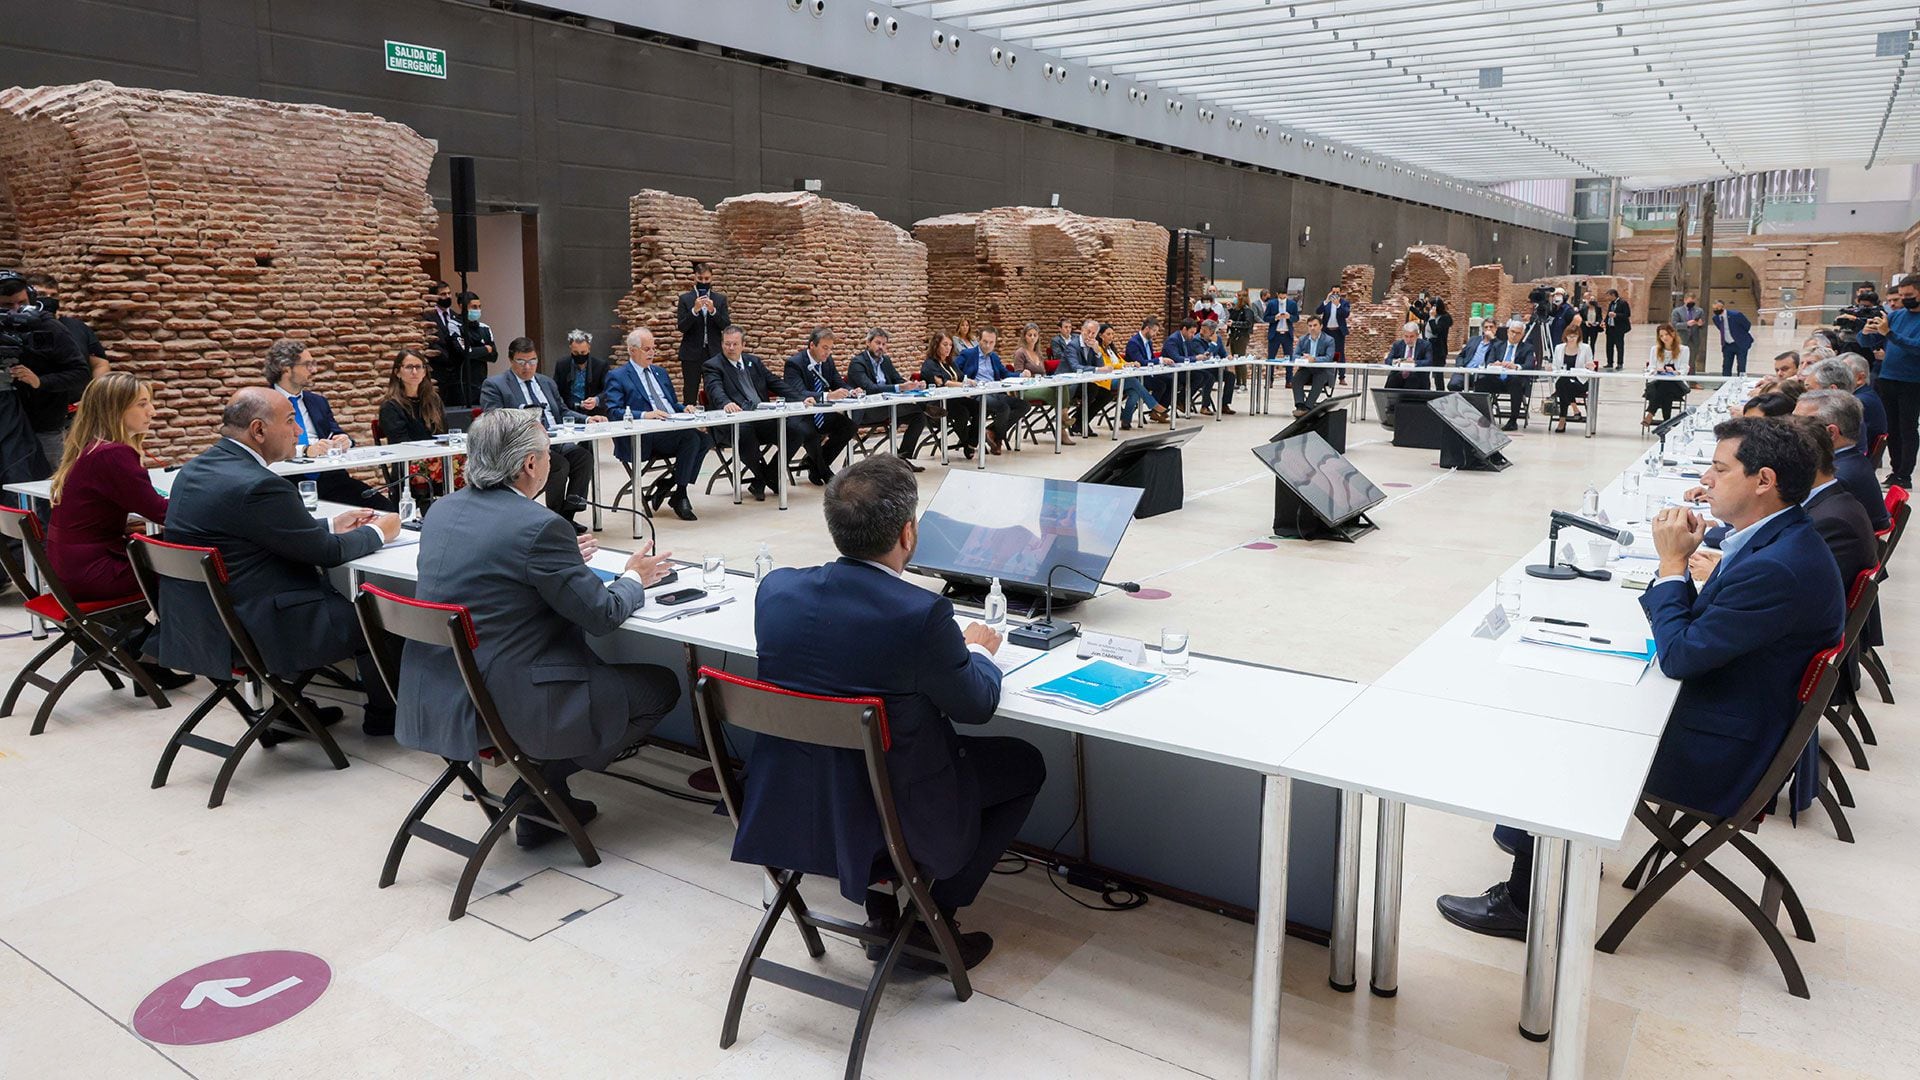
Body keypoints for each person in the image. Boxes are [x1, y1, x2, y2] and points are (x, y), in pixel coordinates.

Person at [1438, 417, 1844, 938]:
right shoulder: (1777, 540)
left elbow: (1680, 655)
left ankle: (1528, 902)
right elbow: (1706, 633)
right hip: (1733, 711)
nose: (1707, 478)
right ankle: (1540, 843)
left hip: (1722, 754)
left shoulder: (1779, 566)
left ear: (1763, 481)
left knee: (1563, 725)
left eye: (1720, 469)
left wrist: (1672, 565)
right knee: (1581, 686)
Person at [731, 454, 1045, 970]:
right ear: (908, 533)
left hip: (797, 803)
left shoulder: (777, 590)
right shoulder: (919, 614)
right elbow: (976, 705)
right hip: (896, 809)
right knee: (1024, 763)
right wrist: (982, 652)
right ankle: (930, 920)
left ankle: (882, 911)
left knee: (860, 756)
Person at [396, 408, 681, 849]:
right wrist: (633, 578)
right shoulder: (538, 526)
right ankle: (537, 787)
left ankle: (547, 801)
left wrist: (563, 559)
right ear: (530, 464)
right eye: (548, 454)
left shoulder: (442, 511)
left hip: (439, 687)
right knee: (661, 687)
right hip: (510, 697)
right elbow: (601, 614)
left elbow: (493, 572)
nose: (552, 462)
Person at [152, 388, 402, 736]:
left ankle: (292, 706)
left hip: (201, 623)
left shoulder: (196, 470)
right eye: (290, 422)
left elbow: (252, 531)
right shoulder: (259, 485)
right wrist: (380, 531)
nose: (299, 431)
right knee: (382, 615)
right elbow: (326, 553)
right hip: (259, 627)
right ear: (258, 430)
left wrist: (331, 524)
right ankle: (384, 717)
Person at [44, 374, 195, 693]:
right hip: (93, 572)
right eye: (142, 404)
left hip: (69, 568)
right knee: (192, 571)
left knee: (168, 556)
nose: (152, 411)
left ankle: (124, 648)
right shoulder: (113, 454)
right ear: (115, 409)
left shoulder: (92, 447)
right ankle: (150, 655)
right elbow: (163, 513)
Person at [479, 337, 604, 532]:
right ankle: (553, 517)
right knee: (558, 464)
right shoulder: (495, 385)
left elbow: (562, 411)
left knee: (583, 457)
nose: (528, 367)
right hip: (525, 446)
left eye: (533, 361)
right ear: (511, 360)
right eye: (522, 361)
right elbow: (493, 420)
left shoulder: (546, 382)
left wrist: (587, 419)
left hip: (556, 439)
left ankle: (567, 515)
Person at [265, 338, 394, 512]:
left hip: (330, 479)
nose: (314, 370)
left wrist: (345, 440)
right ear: (285, 368)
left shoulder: (317, 402)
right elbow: (265, 447)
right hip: (286, 481)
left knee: (385, 507)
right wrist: (305, 450)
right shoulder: (263, 402)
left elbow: (336, 432)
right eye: (307, 365)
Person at [601, 327, 708, 521]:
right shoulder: (618, 376)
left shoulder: (660, 372)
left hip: (670, 427)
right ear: (632, 350)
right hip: (644, 436)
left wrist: (684, 408)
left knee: (706, 439)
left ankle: (670, 485)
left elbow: (670, 403)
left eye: (653, 348)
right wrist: (644, 414)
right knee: (691, 438)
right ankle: (680, 493)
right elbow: (613, 411)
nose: (652, 353)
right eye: (646, 349)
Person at [703, 325, 820, 499]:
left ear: (743, 344)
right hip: (733, 424)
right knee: (744, 432)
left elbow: (774, 382)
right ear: (722, 344)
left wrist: (800, 398)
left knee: (795, 432)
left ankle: (765, 477)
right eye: (727, 344)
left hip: (761, 419)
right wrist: (726, 403)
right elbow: (714, 389)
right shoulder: (713, 365)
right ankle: (766, 477)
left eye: (735, 344)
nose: (731, 348)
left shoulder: (753, 362)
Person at [0, 271, 91, 477]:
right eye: (6, 306)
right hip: (7, 422)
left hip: (43, 427)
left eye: (21, 303)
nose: (16, 310)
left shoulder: (48, 327)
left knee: (49, 487)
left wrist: (39, 381)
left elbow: (80, 373)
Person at [1795, 390, 1891, 531]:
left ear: (1831, 433)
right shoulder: (1850, 459)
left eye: (1798, 423)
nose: (1788, 429)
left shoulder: (1836, 477)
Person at [376, 349, 460, 507]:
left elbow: (443, 435)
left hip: (438, 460)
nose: (414, 372)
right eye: (409, 367)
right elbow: (401, 444)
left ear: (424, 372)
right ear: (397, 372)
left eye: (419, 367)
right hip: (409, 465)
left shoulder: (433, 400)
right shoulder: (390, 406)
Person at [1860, 273, 1920, 489]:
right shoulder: (1896, 316)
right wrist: (1865, 333)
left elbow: (1916, 347)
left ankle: (1905, 473)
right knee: (1891, 427)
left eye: (1909, 295)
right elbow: (1874, 339)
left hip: (1912, 382)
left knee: (1907, 427)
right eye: (1902, 295)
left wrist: (1892, 334)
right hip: (1888, 378)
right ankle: (1895, 470)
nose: (1904, 299)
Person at [780, 327, 861, 485]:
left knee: (848, 426)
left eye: (830, 348)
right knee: (809, 432)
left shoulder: (828, 361)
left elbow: (837, 382)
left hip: (822, 414)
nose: (828, 352)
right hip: (802, 415)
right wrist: (826, 396)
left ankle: (814, 464)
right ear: (812, 345)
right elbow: (798, 392)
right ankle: (824, 471)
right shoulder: (794, 364)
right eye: (825, 348)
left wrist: (851, 391)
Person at [844, 327, 927, 467]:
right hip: (867, 410)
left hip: (887, 406)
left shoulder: (886, 361)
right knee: (920, 410)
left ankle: (902, 458)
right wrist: (899, 388)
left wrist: (913, 385)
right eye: (877, 343)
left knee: (919, 416)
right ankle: (929, 409)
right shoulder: (857, 362)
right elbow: (869, 388)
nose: (881, 347)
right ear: (868, 343)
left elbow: (897, 380)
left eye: (884, 344)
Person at [24, 274, 109, 380]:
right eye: (41, 294)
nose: (49, 299)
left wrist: (96, 392)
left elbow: (99, 364)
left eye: (54, 295)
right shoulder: (19, 327)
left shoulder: (77, 326)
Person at [956, 326, 1020, 455]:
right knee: (1003, 408)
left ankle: (991, 432)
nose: (988, 345)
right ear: (979, 340)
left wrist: (1021, 375)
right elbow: (954, 371)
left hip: (995, 391)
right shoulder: (968, 354)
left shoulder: (994, 357)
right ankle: (998, 440)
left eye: (991, 342)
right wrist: (966, 382)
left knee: (1023, 405)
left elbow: (1005, 373)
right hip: (977, 394)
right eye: (985, 341)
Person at [1009, 322, 1072, 445]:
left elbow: (1043, 373)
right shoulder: (1020, 353)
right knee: (1053, 393)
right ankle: (1063, 425)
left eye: (1035, 335)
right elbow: (1017, 376)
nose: (1032, 338)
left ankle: (1063, 417)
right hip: (1025, 390)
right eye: (1029, 335)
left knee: (1062, 385)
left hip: (1040, 384)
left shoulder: (1038, 353)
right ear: (1024, 337)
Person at [675, 262, 729, 403]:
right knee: (690, 390)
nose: (703, 282)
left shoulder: (720, 299)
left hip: (714, 352)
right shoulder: (685, 299)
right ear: (695, 278)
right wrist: (694, 311)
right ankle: (689, 424)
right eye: (700, 279)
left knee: (714, 389)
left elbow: (725, 325)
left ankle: (713, 424)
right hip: (691, 353)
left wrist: (713, 311)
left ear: (711, 278)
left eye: (707, 279)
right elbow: (681, 327)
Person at [919, 332, 975, 457]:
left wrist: (968, 381)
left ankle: (973, 441)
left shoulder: (950, 362)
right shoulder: (929, 364)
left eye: (950, 345)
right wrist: (961, 385)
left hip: (955, 399)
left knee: (979, 407)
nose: (948, 348)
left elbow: (960, 377)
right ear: (936, 345)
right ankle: (968, 443)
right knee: (963, 412)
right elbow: (942, 382)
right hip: (937, 404)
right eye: (945, 344)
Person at [1475, 320, 1538, 430]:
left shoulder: (1527, 348)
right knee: (1481, 381)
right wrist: (1494, 364)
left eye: (1518, 333)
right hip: (1498, 378)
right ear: (1508, 331)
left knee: (1515, 381)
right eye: (1512, 332)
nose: (1514, 335)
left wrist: (1516, 366)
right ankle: (1483, 416)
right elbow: (1489, 361)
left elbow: (1529, 365)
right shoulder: (1498, 345)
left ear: (1522, 334)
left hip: (1515, 381)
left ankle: (1513, 421)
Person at [444, 290, 495, 406]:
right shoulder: (454, 325)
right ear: (462, 306)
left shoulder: (484, 328)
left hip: (480, 383)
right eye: (474, 307)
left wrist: (473, 351)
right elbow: (464, 352)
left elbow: (494, 356)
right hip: (460, 384)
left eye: (479, 307)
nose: (477, 310)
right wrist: (485, 349)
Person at [424, 280, 469, 402]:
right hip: (438, 369)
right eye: (443, 294)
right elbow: (431, 342)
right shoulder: (428, 317)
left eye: (449, 293)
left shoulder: (456, 316)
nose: (447, 297)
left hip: (456, 373)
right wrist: (445, 358)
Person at [1548, 323, 1597, 433]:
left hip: (1580, 381)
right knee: (1563, 383)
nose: (1571, 339)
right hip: (1564, 380)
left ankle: (1563, 419)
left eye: (1574, 336)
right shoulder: (1559, 348)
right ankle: (1573, 410)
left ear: (1579, 336)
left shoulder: (1585, 348)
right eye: (1569, 336)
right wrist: (1551, 368)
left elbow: (1590, 365)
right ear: (1565, 336)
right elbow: (1555, 366)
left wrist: (1590, 366)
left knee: (1562, 386)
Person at [1642, 323, 1691, 424]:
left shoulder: (1684, 350)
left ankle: (1650, 414)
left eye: (1666, 334)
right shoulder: (1654, 349)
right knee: (1665, 389)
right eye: (1661, 336)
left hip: (1677, 385)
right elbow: (1651, 367)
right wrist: (1656, 371)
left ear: (1672, 334)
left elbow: (1684, 369)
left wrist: (1675, 372)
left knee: (1666, 385)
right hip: (1658, 383)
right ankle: (1666, 422)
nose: (1664, 337)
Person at [555, 330, 610, 417]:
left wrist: (596, 400)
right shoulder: (562, 365)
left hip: (594, 413)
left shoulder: (601, 365)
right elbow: (556, 390)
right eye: (575, 353)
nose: (579, 355)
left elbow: (608, 389)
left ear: (589, 347)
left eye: (583, 352)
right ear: (570, 347)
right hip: (569, 412)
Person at [1290, 315, 1336, 415]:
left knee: (1319, 379)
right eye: (1310, 326)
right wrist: (1301, 358)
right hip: (1306, 368)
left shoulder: (1329, 340)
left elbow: (1329, 358)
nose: (1312, 328)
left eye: (1315, 325)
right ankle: (1300, 406)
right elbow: (1294, 356)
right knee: (1296, 380)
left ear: (1321, 326)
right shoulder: (1303, 339)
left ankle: (1308, 407)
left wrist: (1314, 359)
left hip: (1322, 369)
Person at [1191, 320, 1235, 415]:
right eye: (1201, 329)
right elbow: (1205, 356)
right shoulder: (1196, 340)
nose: (1202, 332)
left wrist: (1228, 356)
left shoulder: (1217, 338)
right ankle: (1205, 406)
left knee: (1230, 376)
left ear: (1212, 331)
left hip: (1214, 368)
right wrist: (1213, 344)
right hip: (1202, 369)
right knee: (1209, 378)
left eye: (1205, 330)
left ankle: (1224, 404)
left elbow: (1222, 353)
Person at [1382, 321, 1435, 392]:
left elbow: (1429, 361)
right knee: (1393, 380)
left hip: (1417, 377)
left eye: (1411, 336)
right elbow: (1388, 360)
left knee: (1413, 379)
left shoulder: (1425, 345)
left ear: (1417, 335)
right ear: (1403, 335)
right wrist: (1395, 361)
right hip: (1398, 377)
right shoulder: (1397, 345)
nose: (1409, 340)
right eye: (1406, 336)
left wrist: (1414, 362)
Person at [1713, 300, 1754, 376]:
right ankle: (1725, 383)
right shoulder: (1715, 318)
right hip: (1727, 345)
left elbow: (1747, 325)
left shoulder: (1736, 315)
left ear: (1723, 307)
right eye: (1714, 309)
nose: (1716, 310)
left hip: (1740, 343)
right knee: (1726, 366)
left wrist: (1739, 334)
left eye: (1718, 308)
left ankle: (1741, 384)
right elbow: (1721, 329)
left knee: (1741, 365)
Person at [1670, 293, 1707, 374]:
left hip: (1694, 339)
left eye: (1693, 302)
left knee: (1692, 361)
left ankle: (1692, 381)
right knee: (1678, 359)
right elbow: (1674, 325)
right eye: (1690, 302)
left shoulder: (1699, 311)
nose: (1691, 304)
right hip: (1681, 338)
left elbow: (1703, 326)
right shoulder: (1677, 311)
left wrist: (1700, 324)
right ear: (1685, 300)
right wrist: (1686, 324)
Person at [1316, 288, 1350, 364]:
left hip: (1338, 331)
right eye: (1333, 292)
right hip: (1327, 331)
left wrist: (1338, 305)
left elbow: (1346, 314)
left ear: (1340, 293)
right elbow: (1318, 311)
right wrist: (1326, 301)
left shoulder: (1344, 303)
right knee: (1326, 350)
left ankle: (1341, 373)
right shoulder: (1327, 303)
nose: (1335, 294)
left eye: (1337, 292)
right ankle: (1327, 371)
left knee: (1338, 352)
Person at [1603, 289, 1631, 371]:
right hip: (1610, 328)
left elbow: (1627, 314)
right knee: (1609, 346)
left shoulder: (1623, 303)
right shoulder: (1611, 304)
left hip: (1618, 328)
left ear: (1613, 295)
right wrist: (1604, 322)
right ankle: (1610, 362)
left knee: (1619, 346)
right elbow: (1608, 315)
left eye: (1609, 295)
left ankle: (1620, 363)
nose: (1608, 298)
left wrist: (1616, 315)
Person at [1227, 289, 1256, 357]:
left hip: (1241, 337)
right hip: (1234, 336)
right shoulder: (1237, 309)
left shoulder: (1247, 310)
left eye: (1236, 296)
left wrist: (1234, 323)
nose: (1234, 299)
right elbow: (1237, 318)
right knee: (1235, 358)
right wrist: (1231, 310)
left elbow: (1248, 323)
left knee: (1240, 359)